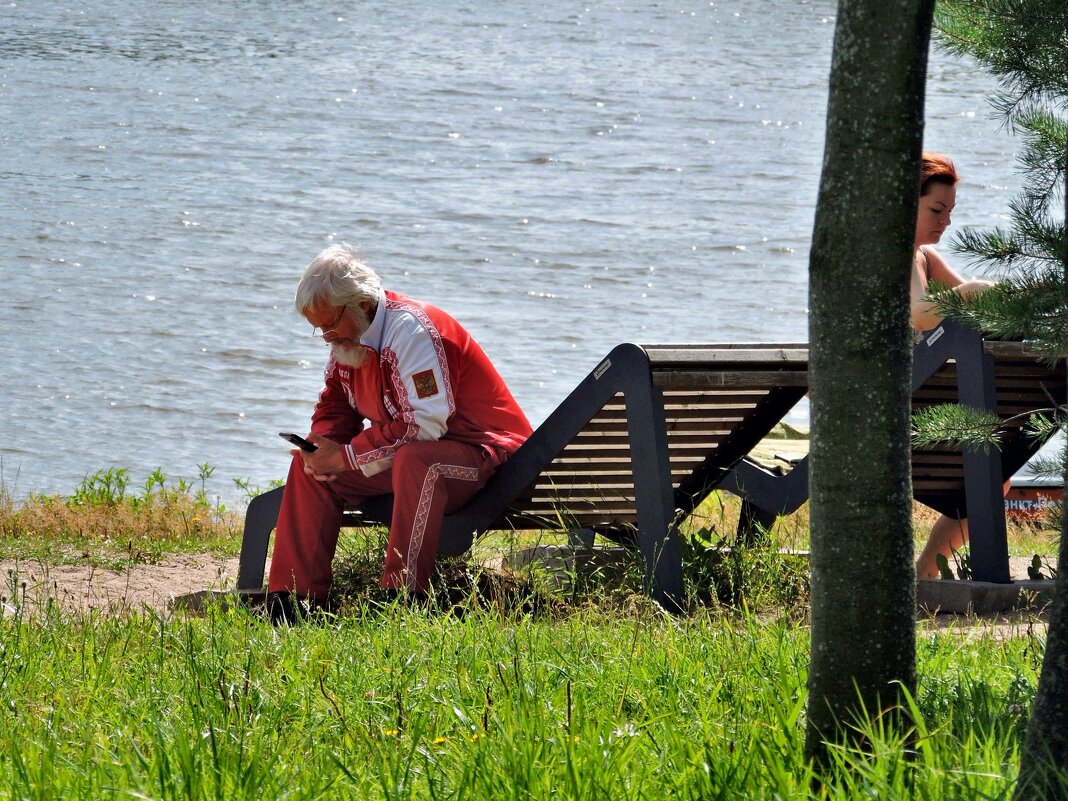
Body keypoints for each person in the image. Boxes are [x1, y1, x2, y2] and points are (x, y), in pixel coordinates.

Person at [267, 244, 533, 623]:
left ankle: (403, 600)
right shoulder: (349, 337)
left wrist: (345, 456)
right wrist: (321, 448)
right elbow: (334, 407)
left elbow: (424, 427)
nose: (326, 337)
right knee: (310, 471)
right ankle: (291, 604)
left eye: (330, 324)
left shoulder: (412, 331)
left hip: (491, 461)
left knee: (416, 460)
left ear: (360, 303)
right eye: (318, 328)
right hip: (424, 455)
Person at [910, 152, 998, 579]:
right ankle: (923, 578)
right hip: (889, 410)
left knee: (993, 473)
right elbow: (922, 314)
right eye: (936, 209)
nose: (945, 220)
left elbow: (966, 292)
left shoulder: (922, 257)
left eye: (949, 212)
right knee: (987, 468)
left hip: (919, 399)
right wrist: (969, 294)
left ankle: (922, 578)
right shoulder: (883, 258)